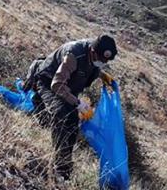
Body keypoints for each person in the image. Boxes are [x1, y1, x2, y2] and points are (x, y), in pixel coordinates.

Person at [27, 35, 117, 181]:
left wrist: (102, 75)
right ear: (93, 52)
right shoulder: (74, 55)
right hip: (48, 81)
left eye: (105, 61)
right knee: (61, 116)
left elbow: (91, 66)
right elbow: (57, 85)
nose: (102, 62)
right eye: (101, 59)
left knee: (73, 122)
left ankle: (65, 167)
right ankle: (61, 168)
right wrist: (77, 103)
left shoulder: (94, 57)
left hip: (66, 87)